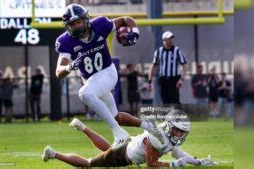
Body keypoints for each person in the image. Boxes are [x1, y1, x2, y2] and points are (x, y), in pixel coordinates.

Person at [54, 4, 156, 150]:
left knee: (85, 93)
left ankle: (119, 134)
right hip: (92, 80)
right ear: (68, 26)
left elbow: (126, 19)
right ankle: (149, 126)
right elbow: (58, 71)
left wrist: (135, 32)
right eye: (73, 24)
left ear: (85, 19)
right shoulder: (65, 41)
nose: (76, 26)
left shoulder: (100, 25)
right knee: (116, 117)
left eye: (79, 22)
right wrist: (69, 67)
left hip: (107, 72)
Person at [42, 110, 218, 167]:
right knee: (88, 164)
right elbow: (151, 164)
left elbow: (177, 152)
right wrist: (174, 165)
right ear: (171, 127)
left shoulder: (165, 135)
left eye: (183, 132)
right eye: (179, 131)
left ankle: (83, 128)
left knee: (107, 151)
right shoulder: (157, 138)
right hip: (122, 156)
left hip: (127, 147)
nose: (181, 135)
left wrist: (199, 162)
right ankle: (53, 153)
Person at [148, 31, 188, 104]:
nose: (172, 40)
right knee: (165, 102)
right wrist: (150, 81)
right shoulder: (159, 51)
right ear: (164, 39)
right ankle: (166, 115)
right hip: (163, 80)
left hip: (174, 80)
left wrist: (182, 79)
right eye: (169, 38)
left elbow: (184, 65)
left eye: (172, 38)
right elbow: (153, 67)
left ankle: (176, 115)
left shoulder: (177, 50)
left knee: (175, 101)